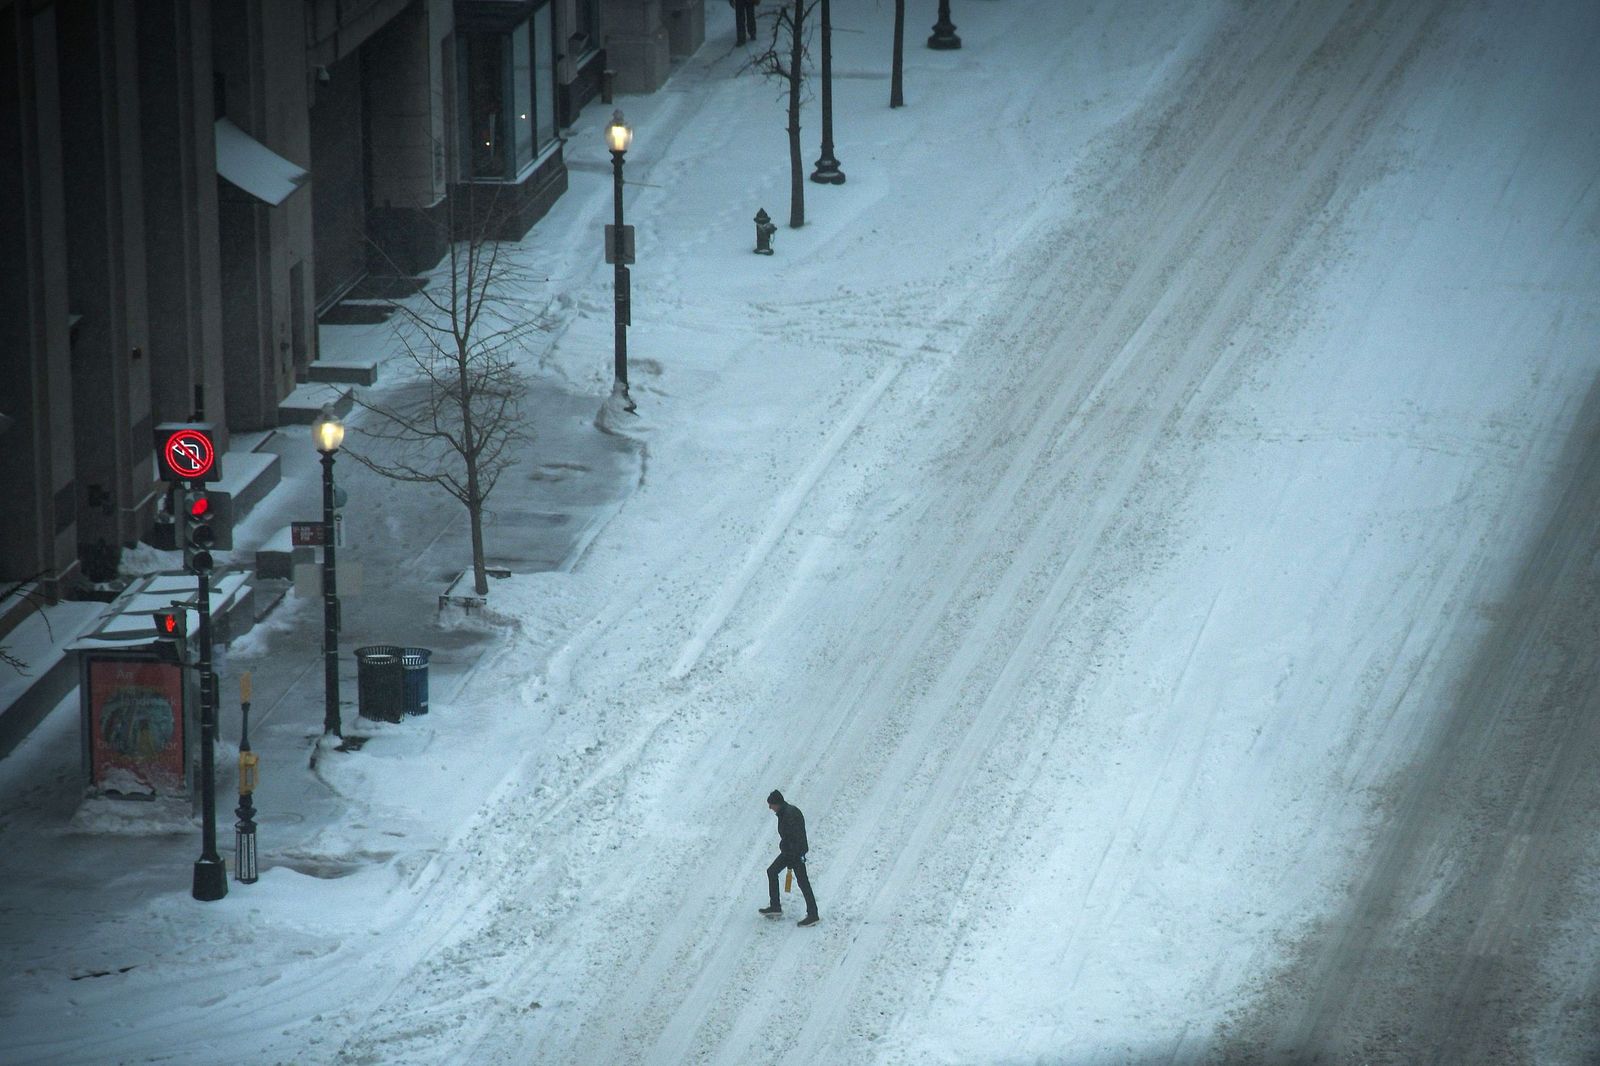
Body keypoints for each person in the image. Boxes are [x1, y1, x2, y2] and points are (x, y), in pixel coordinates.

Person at [760, 789, 819, 926]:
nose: (770, 808)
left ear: (777, 803)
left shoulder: (789, 814)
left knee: (803, 882)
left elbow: (794, 837)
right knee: (772, 871)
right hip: (789, 852)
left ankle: (813, 914)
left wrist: (793, 856)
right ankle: (775, 907)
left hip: (795, 853)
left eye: (771, 805)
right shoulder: (785, 812)